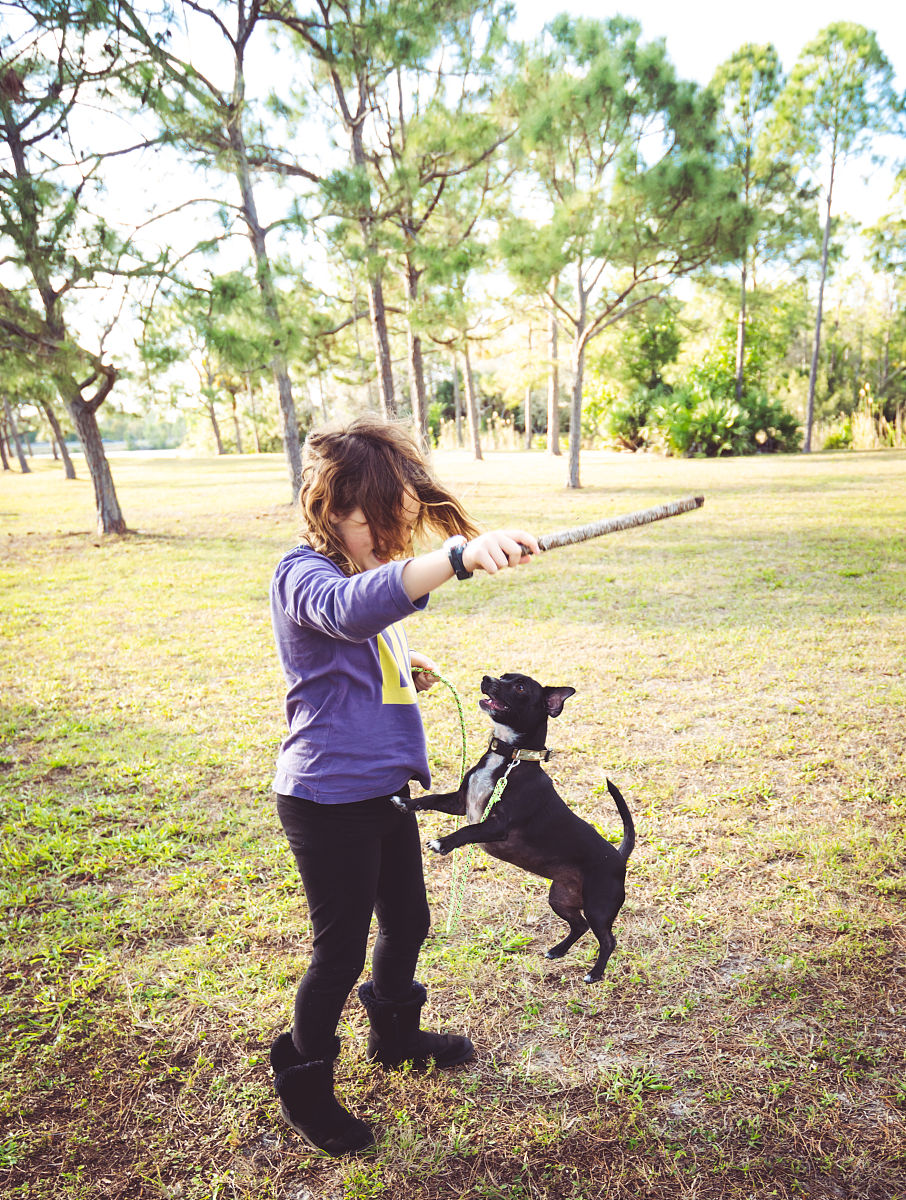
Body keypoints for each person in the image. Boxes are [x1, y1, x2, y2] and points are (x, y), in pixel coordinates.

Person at [268, 416, 539, 1156]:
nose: (392, 541)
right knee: (339, 952)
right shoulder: (303, 574)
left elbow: (371, 629)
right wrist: (455, 557)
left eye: (401, 527)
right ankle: (304, 1079)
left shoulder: (361, 575)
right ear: (331, 506)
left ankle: (395, 1037)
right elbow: (349, 613)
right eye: (378, 523)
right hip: (326, 801)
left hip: (383, 790)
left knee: (409, 920)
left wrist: (403, 668)